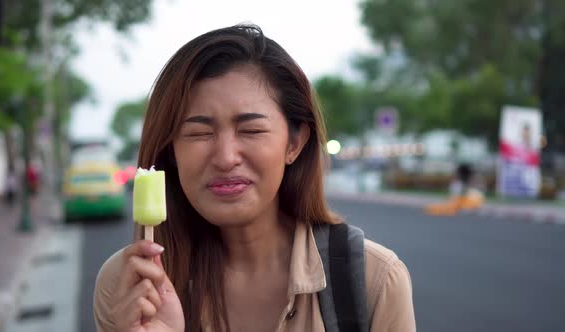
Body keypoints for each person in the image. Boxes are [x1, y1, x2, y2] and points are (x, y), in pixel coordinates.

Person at [93, 24, 415, 332]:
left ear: (294, 143)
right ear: (170, 152)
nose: (225, 157)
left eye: (251, 130)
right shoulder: (128, 287)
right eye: (199, 132)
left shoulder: (374, 279)